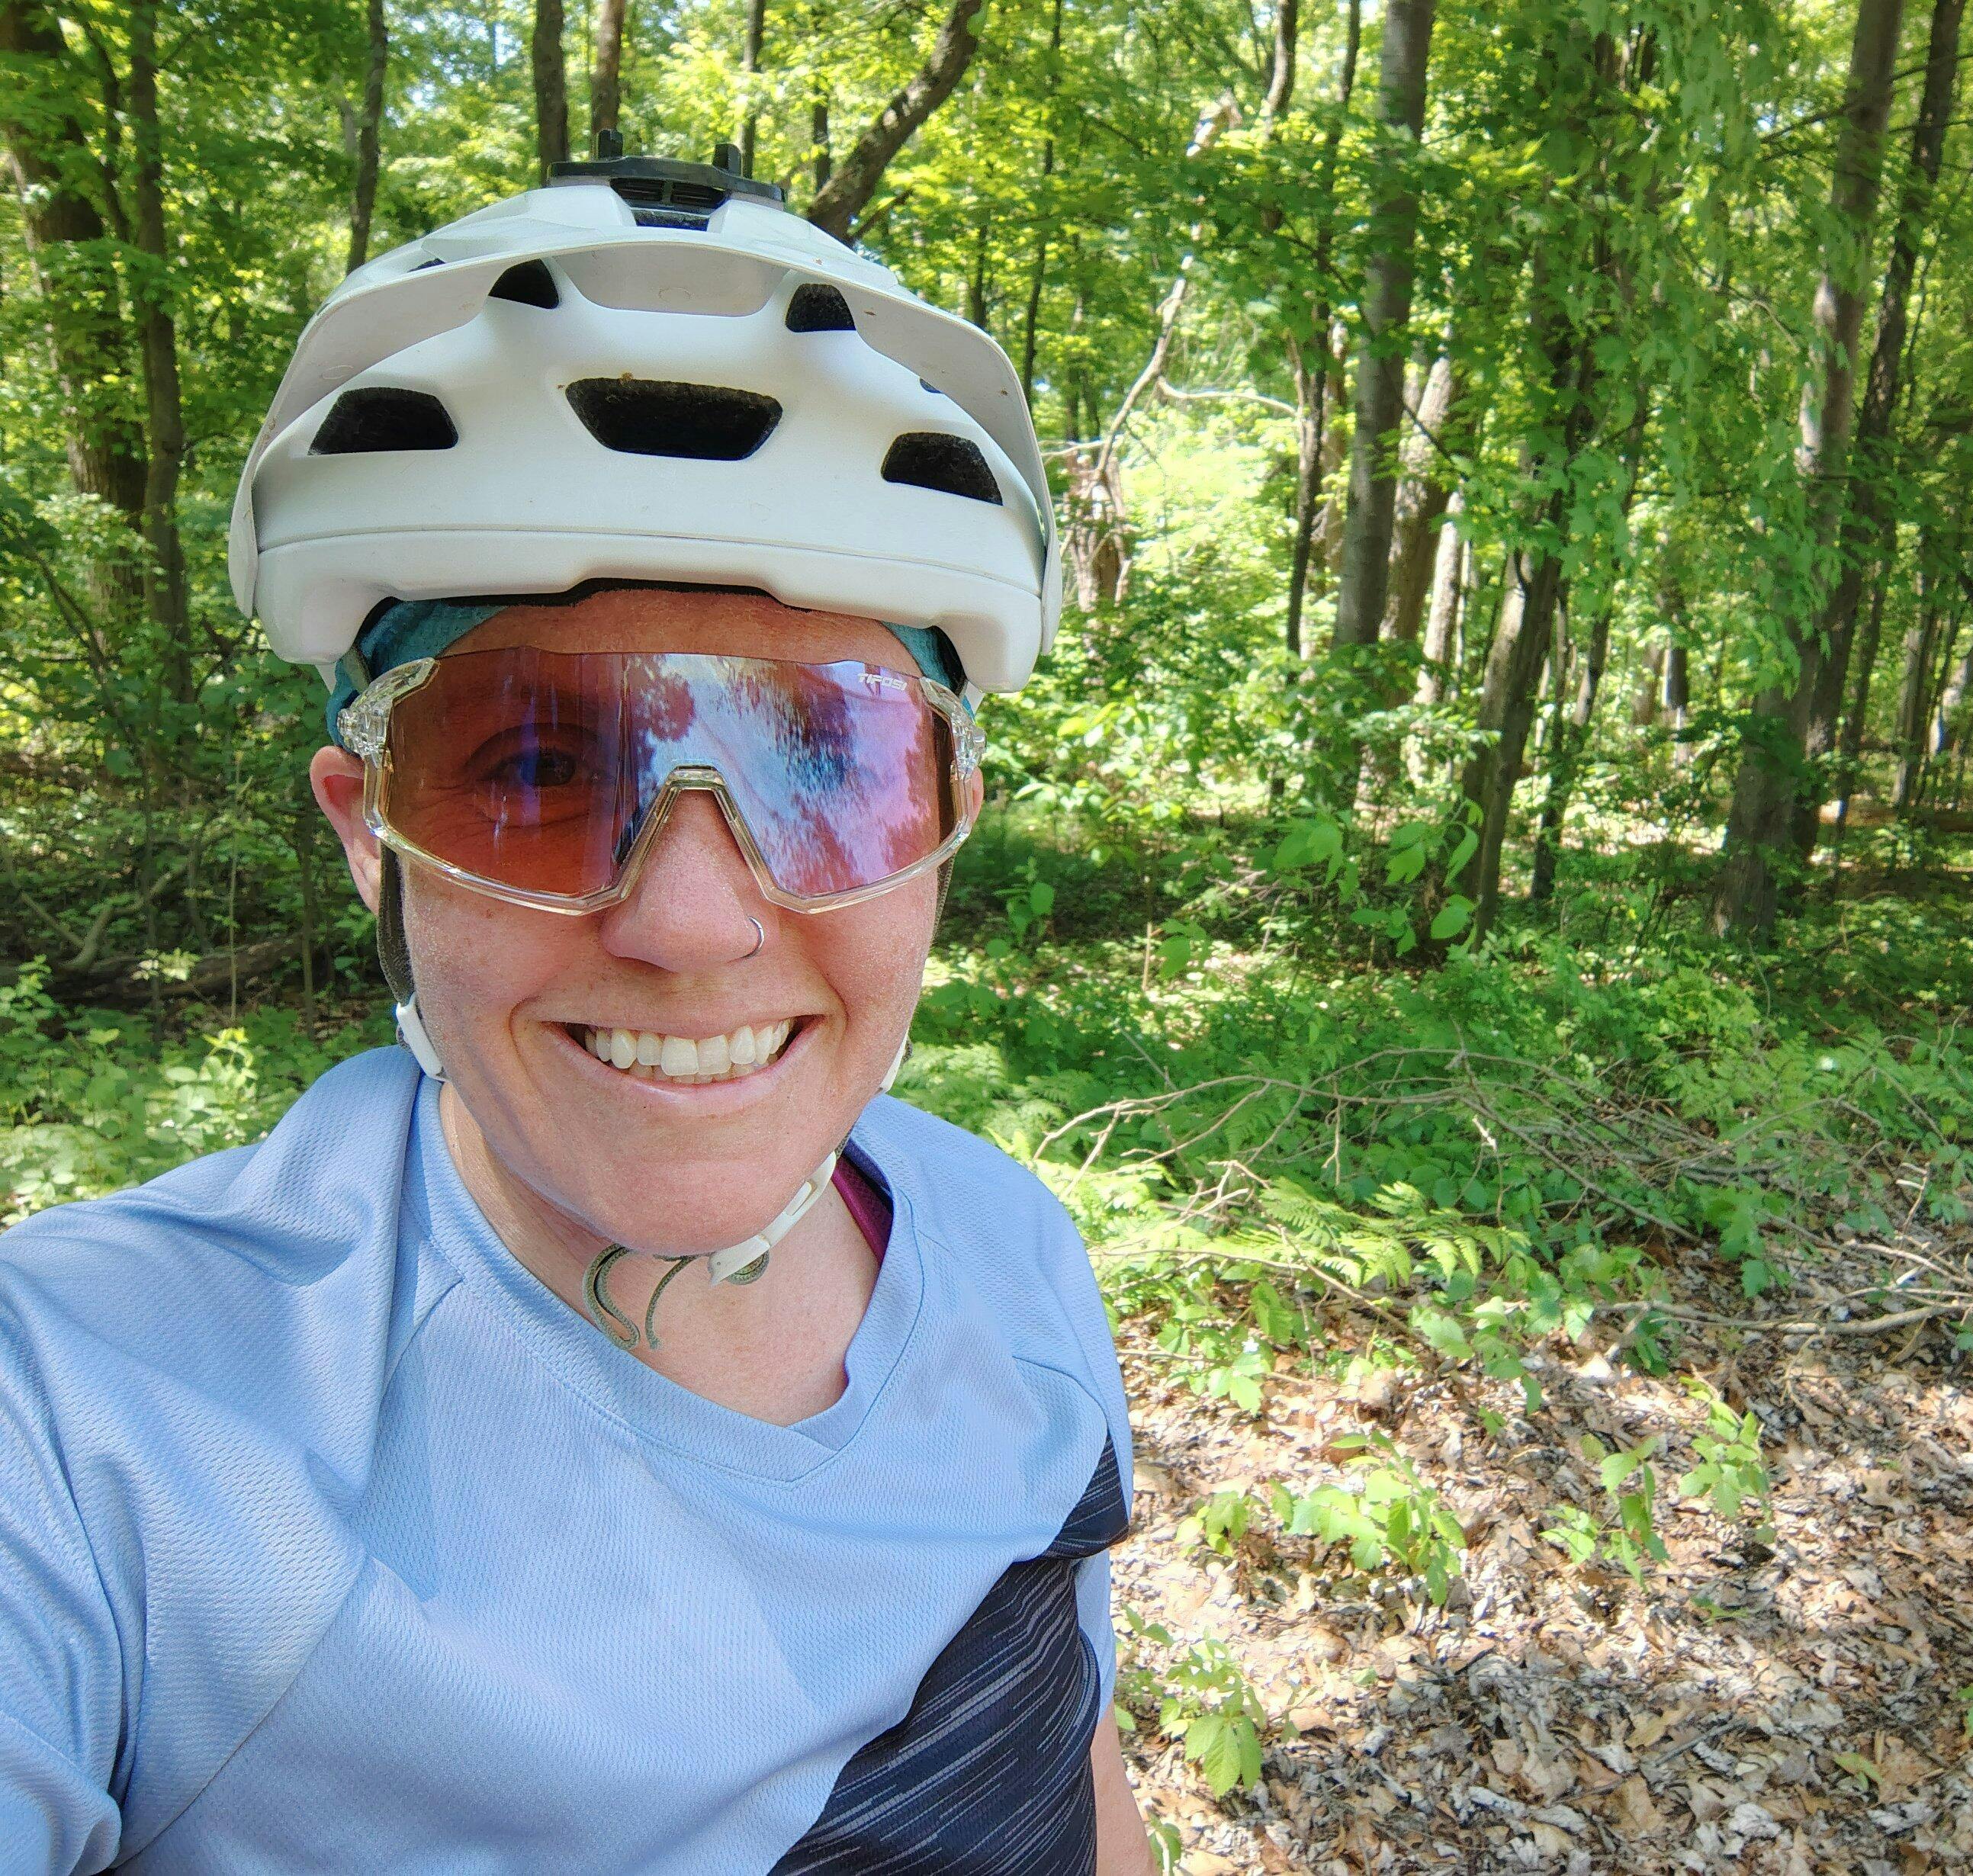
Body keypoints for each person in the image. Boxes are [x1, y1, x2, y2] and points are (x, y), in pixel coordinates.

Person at [0, 146, 1151, 1874]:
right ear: (369, 838)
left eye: (826, 768)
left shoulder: (1010, 1252)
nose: (692, 923)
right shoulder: (99, 1424)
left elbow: (1067, 1757)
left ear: (942, 831)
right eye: (534, 771)